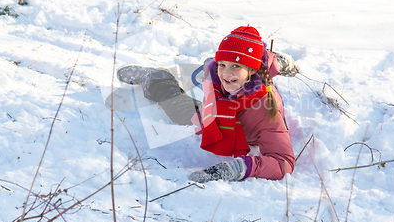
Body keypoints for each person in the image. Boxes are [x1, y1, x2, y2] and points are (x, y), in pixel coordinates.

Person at [117, 26, 296, 183]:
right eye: (222, 64)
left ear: (251, 71)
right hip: (220, 112)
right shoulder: (217, 77)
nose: (225, 74)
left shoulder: (264, 110)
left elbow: (284, 162)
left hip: (244, 116)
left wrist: (238, 168)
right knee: (179, 109)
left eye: (235, 66)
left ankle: (275, 61)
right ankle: (157, 80)